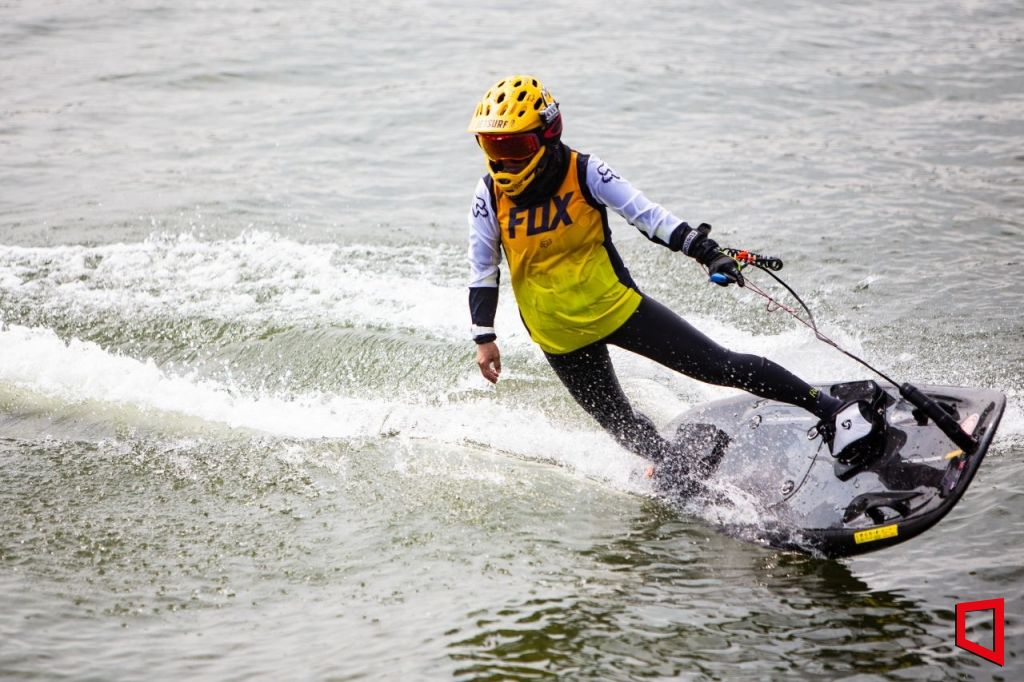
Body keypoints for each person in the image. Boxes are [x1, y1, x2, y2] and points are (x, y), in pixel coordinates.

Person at [465, 74, 883, 478]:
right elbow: (483, 269)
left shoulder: (585, 171)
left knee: (720, 366)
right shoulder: (489, 195)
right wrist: (484, 336)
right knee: (620, 424)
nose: (505, 159)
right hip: (557, 335)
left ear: (547, 133)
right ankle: (674, 463)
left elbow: (648, 216)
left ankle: (832, 411)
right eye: (492, 146)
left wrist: (707, 252)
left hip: (618, 309)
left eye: (514, 145)